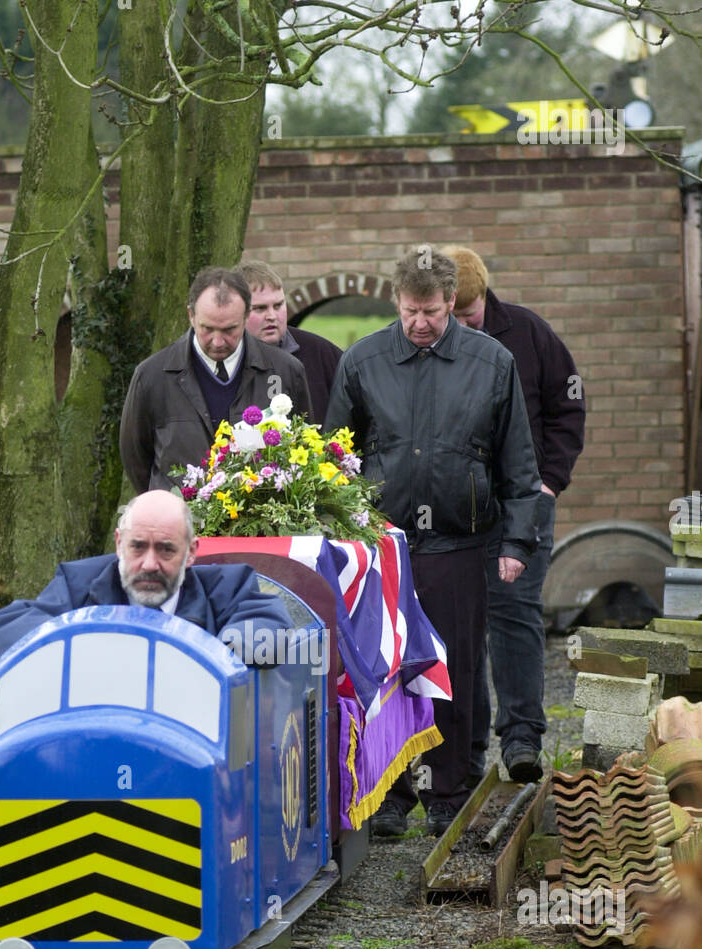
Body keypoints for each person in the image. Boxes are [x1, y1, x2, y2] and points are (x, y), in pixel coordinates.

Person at [324, 246, 541, 837]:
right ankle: (391, 793)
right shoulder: (364, 361)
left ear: (452, 303)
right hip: (384, 545)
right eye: (410, 311)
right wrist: (341, 532)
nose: (420, 323)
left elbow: (517, 463)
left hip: (460, 541)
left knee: (454, 669)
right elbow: (335, 454)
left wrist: (516, 545)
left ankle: (448, 790)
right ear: (396, 301)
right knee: (384, 668)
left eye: (432, 312)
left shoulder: (492, 362)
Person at [443, 245, 586, 785]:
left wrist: (548, 486)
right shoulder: (427, 343)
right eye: (451, 317)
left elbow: (568, 408)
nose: (460, 327)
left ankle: (522, 737)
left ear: (485, 298)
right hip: (457, 510)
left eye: (469, 316)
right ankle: (466, 749)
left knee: (514, 614)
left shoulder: (530, 334)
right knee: (460, 623)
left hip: (523, 506)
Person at [0, 492, 292, 667]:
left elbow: (266, 626)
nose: (149, 564)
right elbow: (7, 628)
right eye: (138, 546)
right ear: (119, 544)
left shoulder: (228, 586)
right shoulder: (77, 583)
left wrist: (211, 656)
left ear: (191, 553)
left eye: (166, 550)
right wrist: (78, 648)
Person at [119, 267, 311, 494]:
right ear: (191, 315)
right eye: (207, 329)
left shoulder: (285, 371)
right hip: (182, 524)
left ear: (246, 316)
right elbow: (136, 459)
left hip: (259, 523)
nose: (218, 342)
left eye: (230, 329)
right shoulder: (152, 376)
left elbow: (303, 446)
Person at [236, 259, 343, 424]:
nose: (272, 316)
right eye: (260, 308)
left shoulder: (321, 354)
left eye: (278, 305)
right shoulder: (223, 360)